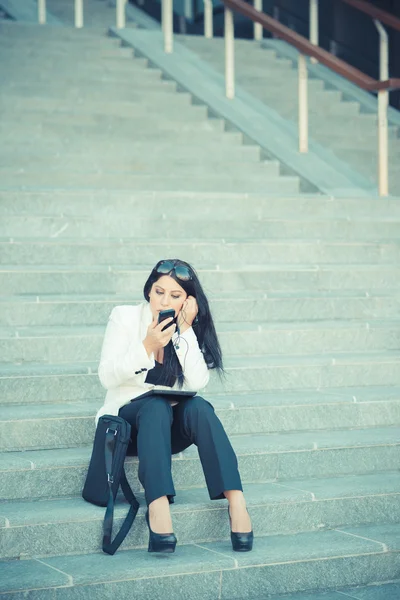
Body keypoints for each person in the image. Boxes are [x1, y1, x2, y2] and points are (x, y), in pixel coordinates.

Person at [96, 259, 253, 554]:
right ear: (148, 291)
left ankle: (237, 502)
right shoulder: (125, 317)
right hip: (126, 425)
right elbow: (106, 377)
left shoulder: (185, 330)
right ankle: (157, 507)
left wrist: (186, 331)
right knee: (155, 406)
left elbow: (197, 382)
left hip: (164, 430)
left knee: (200, 408)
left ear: (187, 301)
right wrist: (146, 345)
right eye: (158, 291)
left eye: (175, 295)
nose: (163, 300)